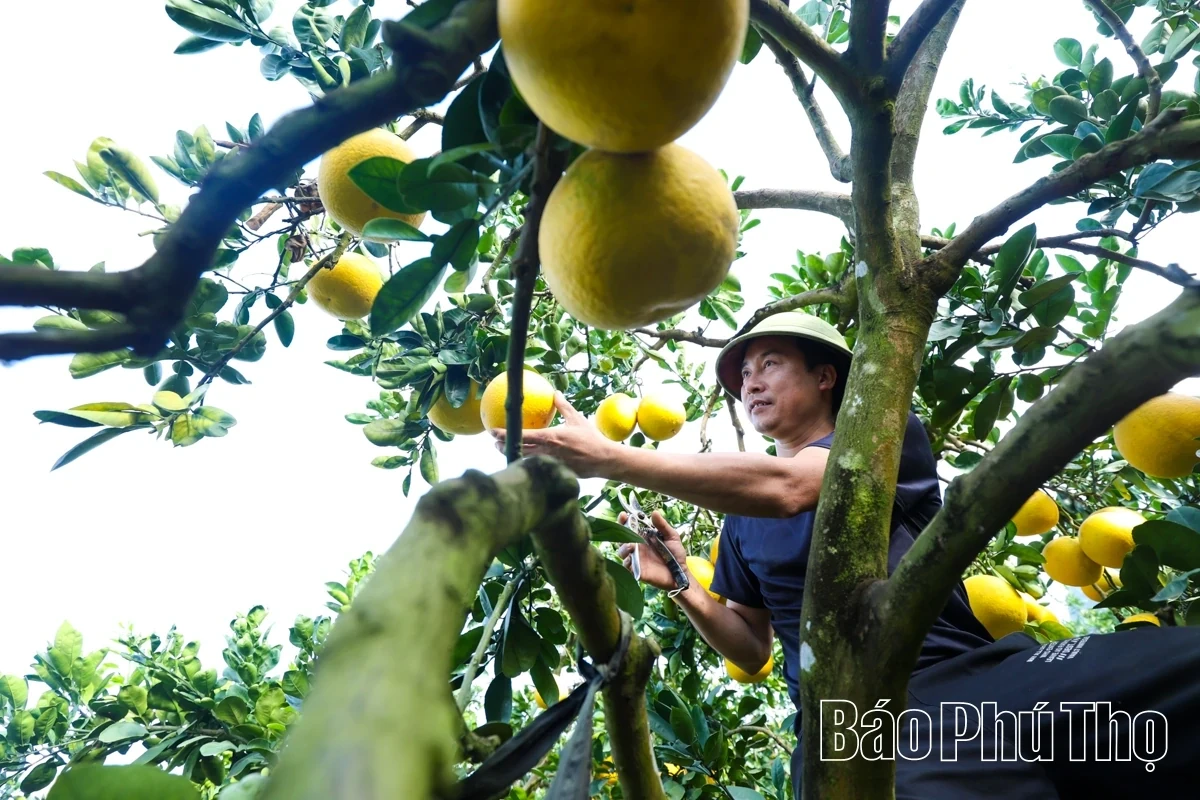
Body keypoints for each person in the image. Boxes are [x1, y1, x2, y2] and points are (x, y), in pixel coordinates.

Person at [490, 311, 1200, 797]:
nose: (750, 384)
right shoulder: (740, 522)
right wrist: (682, 584)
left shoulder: (884, 442)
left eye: (769, 364)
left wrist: (615, 458)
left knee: (1172, 670)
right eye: (742, 378)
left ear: (826, 376)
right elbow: (750, 646)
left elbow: (799, 488)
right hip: (850, 728)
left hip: (972, 677)